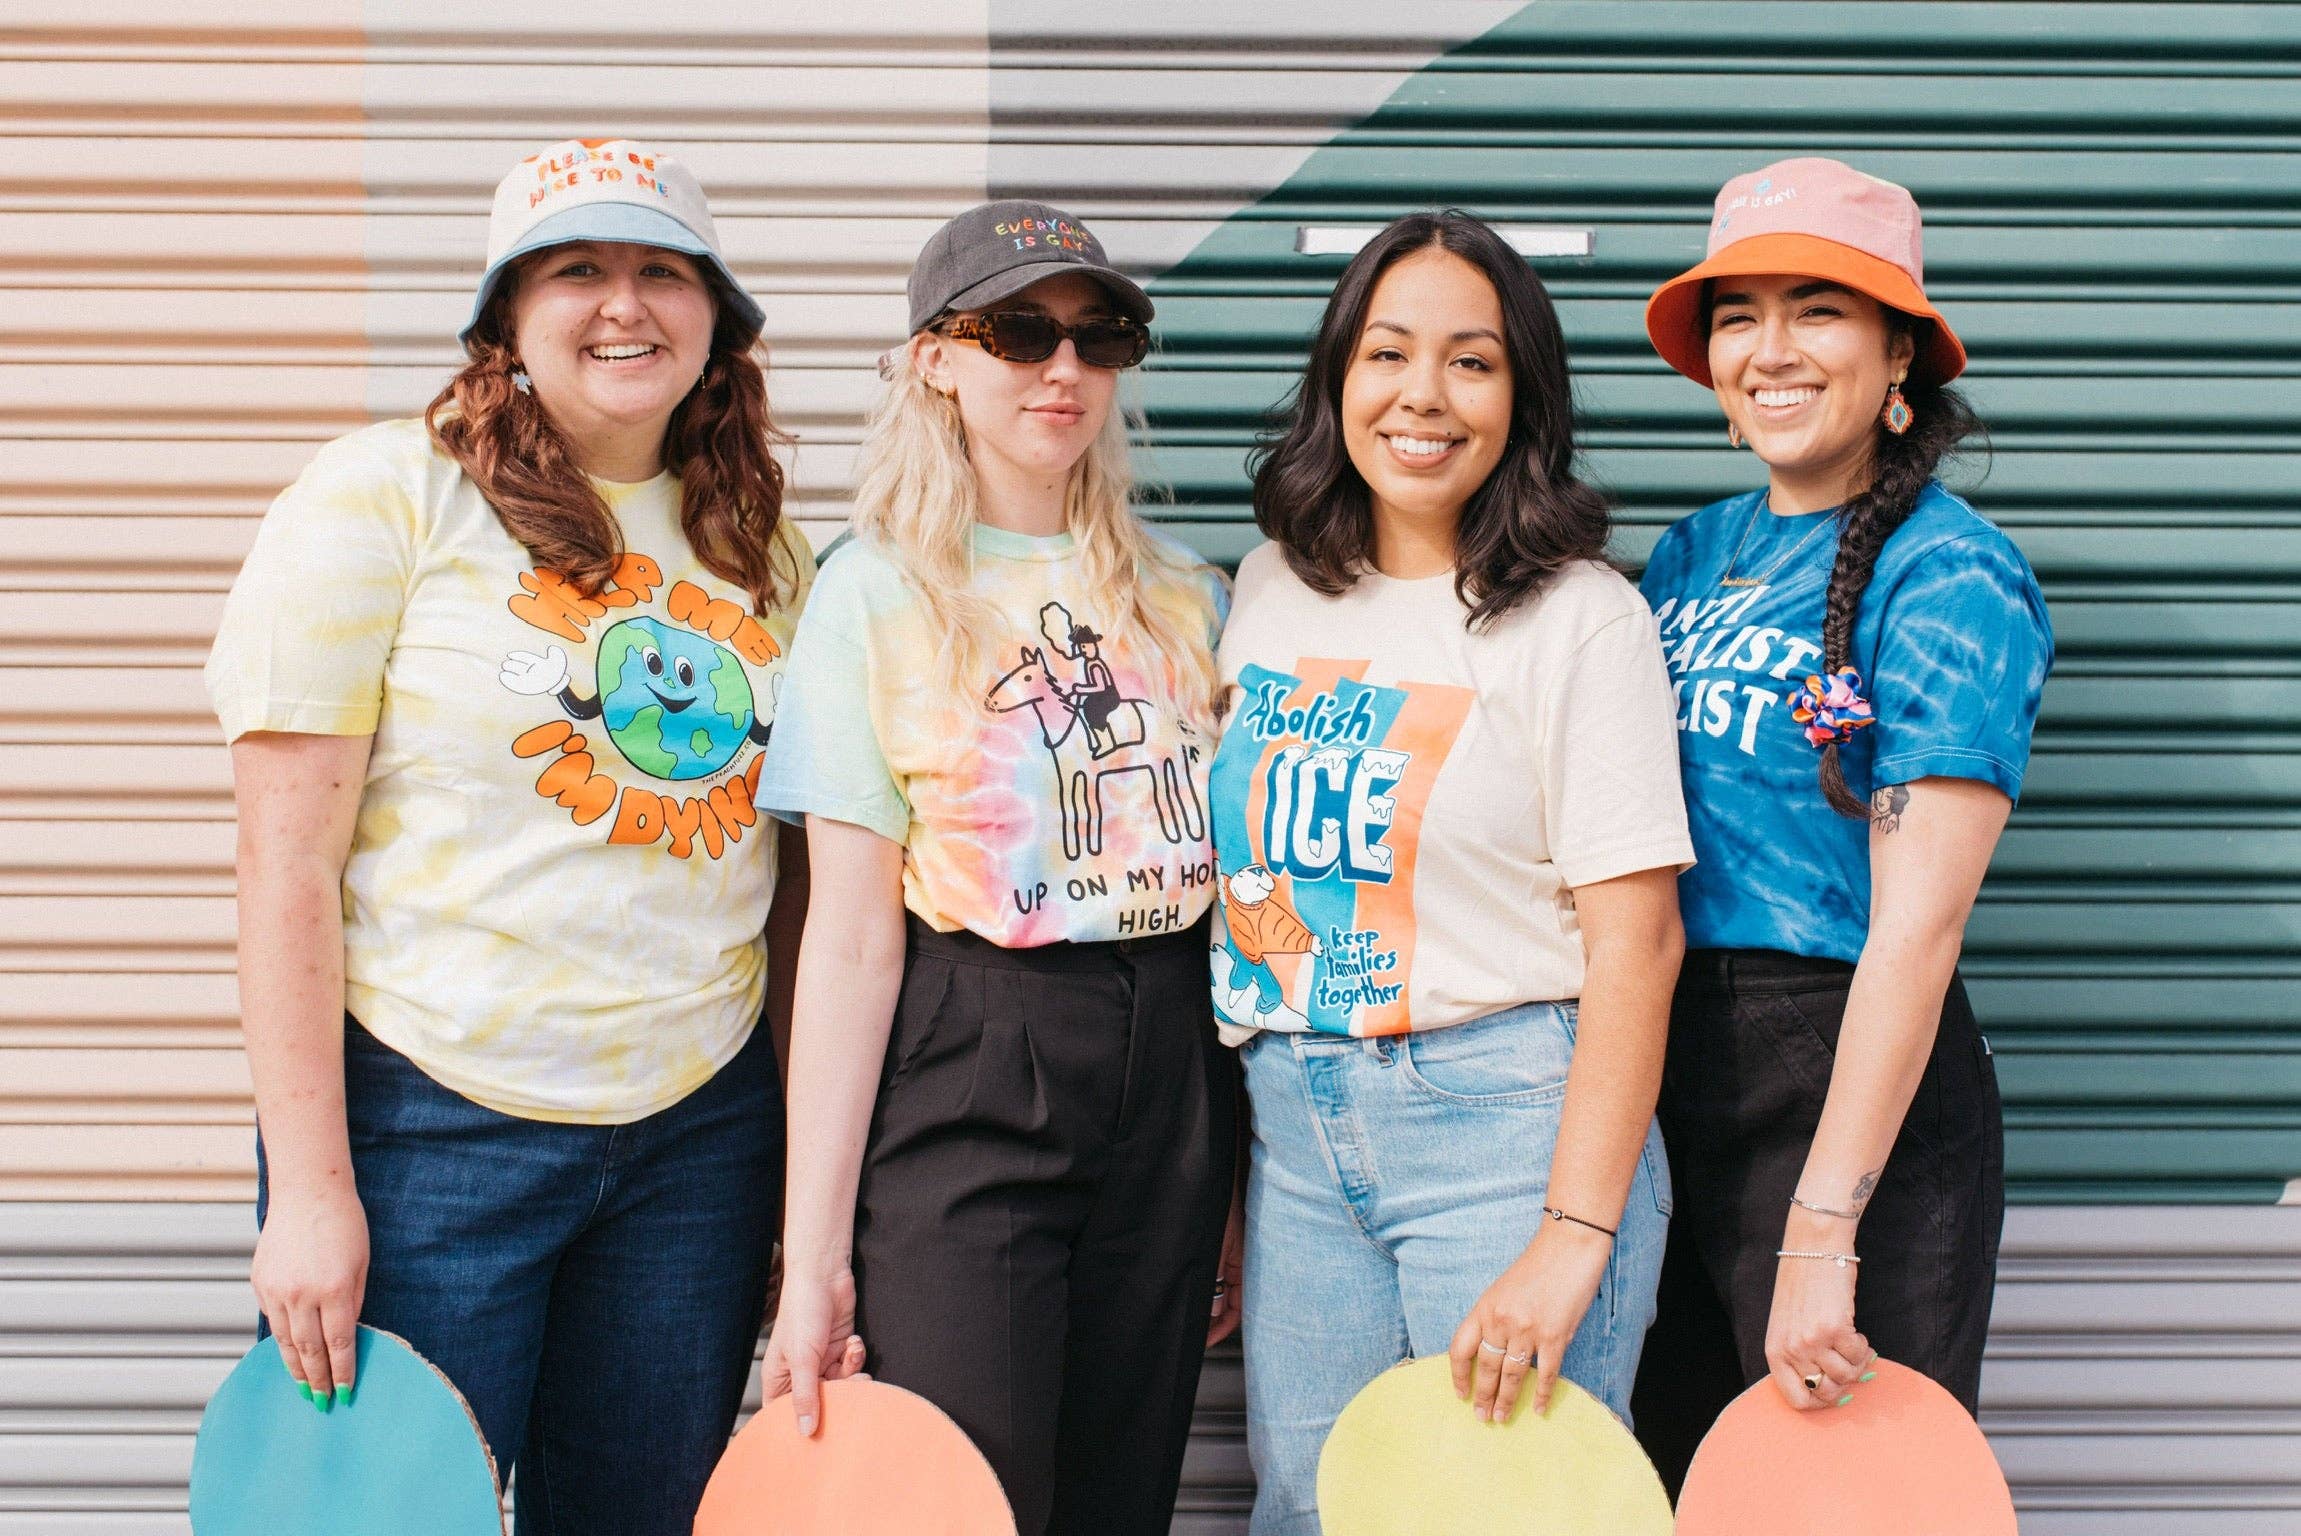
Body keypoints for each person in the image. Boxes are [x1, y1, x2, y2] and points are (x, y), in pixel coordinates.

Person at [205, 138, 812, 1533]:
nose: (624, 305)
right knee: (377, 1519)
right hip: (428, 1121)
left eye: (663, 271)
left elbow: (785, 877)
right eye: (577, 269)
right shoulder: (384, 497)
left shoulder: (758, 544)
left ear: (715, 318)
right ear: (506, 318)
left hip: (696, 1138)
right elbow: (282, 866)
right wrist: (310, 1193)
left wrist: (792, 1174)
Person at [756, 200, 1235, 1536]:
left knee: (1120, 1495)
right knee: (971, 1494)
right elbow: (847, 939)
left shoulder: (1188, 595)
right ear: (934, 360)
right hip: (975, 1046)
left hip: (1175, 1058)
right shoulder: (871, 593)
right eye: (1019, 332)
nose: (1062, 367)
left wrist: (1237, 1184)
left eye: (1098, 336)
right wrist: (813, 1251)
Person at [1212, 210, 1692, 1535]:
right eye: (1387, 354)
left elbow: (1639, 943)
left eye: (1471, 362)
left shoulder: (1579, 617)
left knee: (1502, 1516)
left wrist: (1572, 1237)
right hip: (1294, 1130)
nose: (1422, 395)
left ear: (1522, 398)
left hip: (1506, 1128)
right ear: (1337, 379)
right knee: (1309, 1511)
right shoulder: (1266, 588)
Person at [1627, 157, 2054, 1493]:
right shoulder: (1686, 556)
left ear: (1898, 355)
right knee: (1683, 1484)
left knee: (1846, 1498)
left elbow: (1917, 930)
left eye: (1816, 310)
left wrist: (1823, 1226)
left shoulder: (1951, 574)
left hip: (1845, 1076)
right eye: (1738, 316)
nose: (1770, 350)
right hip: (1666, 1065)